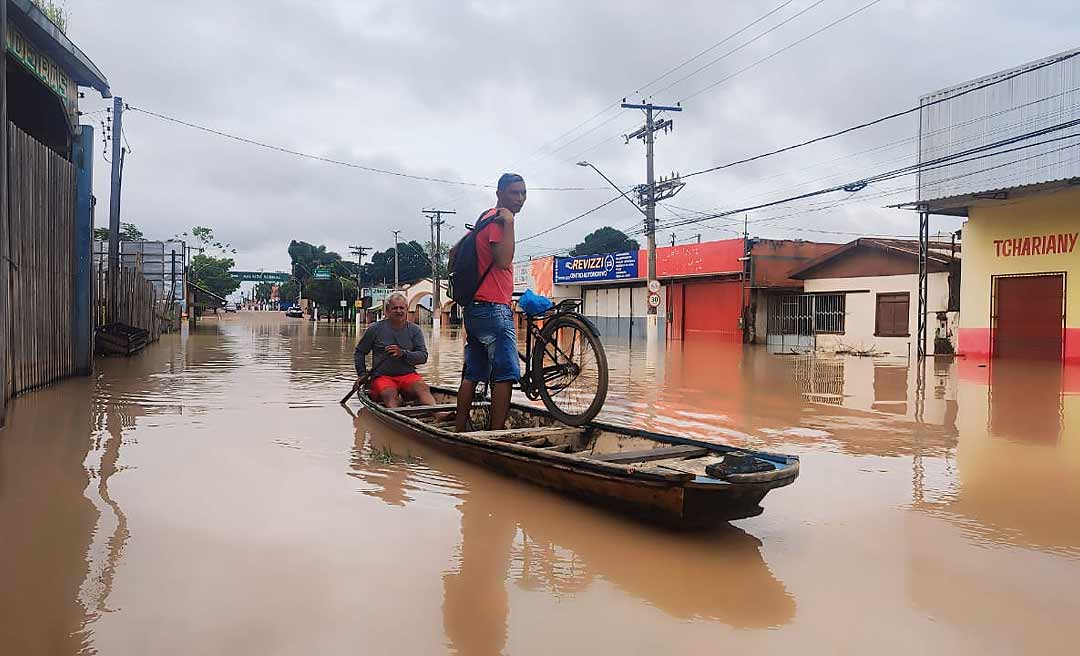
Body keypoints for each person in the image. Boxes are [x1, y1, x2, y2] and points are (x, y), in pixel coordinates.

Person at [455, 173, 527, 432]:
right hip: (493, 307)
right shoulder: (498, 221)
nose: (519, 199)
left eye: (523, 193)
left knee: (473, 372)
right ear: (499, 193)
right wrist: (510, 224)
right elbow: (504, 261)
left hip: (474, 308)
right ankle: (496, 435)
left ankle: (459, 429)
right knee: (506, 372)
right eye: (514, 193)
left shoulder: (483, 218)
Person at [354, 293, 437, 408]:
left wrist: (403, 353)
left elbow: (423, 357)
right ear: (387, 311)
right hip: (383, 377)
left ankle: (438, 412)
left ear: (406, 309)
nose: (399, 311)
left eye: (402, 308)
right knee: (390, 394)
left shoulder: (415, 330)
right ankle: (397, 413)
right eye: (395, 308)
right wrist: (362, 374)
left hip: (408, 375)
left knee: (422, 388)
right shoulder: (375, 329)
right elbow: (360, 352)